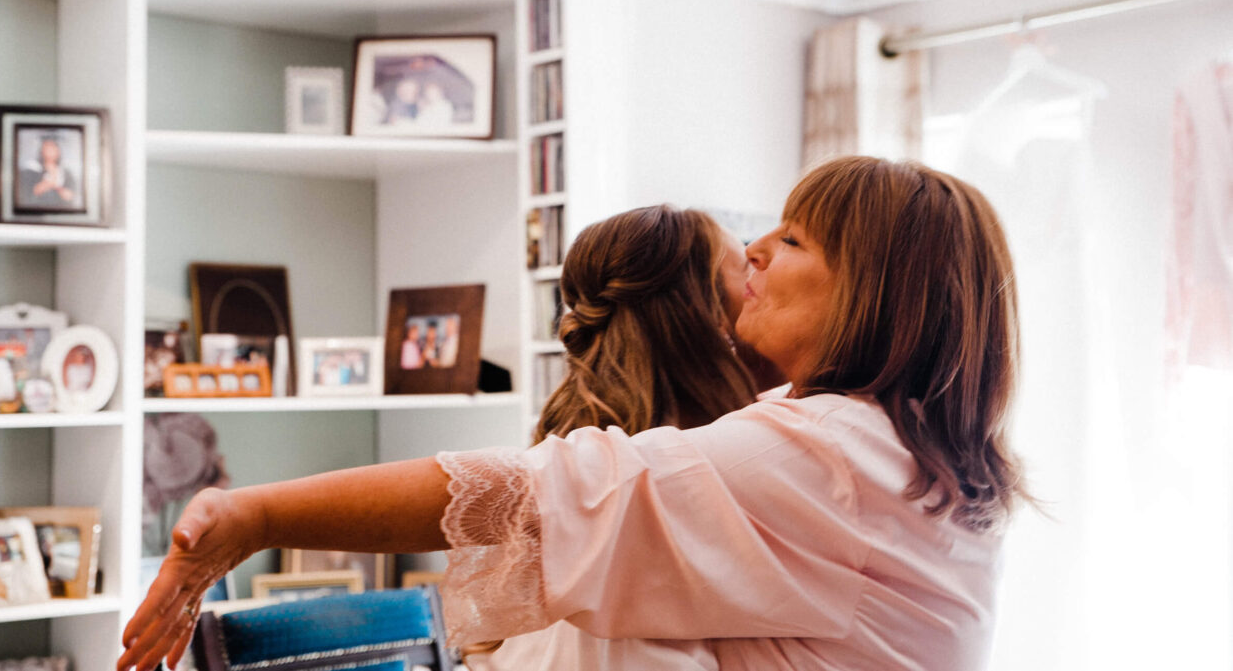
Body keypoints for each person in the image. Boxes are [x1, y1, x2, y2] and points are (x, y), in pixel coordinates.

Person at [120, 157, 1028, 671]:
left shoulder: (820, 456)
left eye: (790, 238)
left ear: (872, 292)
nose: (757, 249)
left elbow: (527, 493)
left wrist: (255, 513)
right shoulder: (910, 446)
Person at [466, 204, 765, 671]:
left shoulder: (570, 449)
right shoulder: (691, 467)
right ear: (704, 315)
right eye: (745, 266)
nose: (759, 276)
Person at [19, 135, 77, 209]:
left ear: (58, 151)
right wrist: (49, 181)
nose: (50, 151)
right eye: (47, 147)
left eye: (54, 147)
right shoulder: (30, 169)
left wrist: (58, 188)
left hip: (60, 210)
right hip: (36, 210)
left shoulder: (66, 172)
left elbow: (70, 196)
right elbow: (28, 193)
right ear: (41, 150)